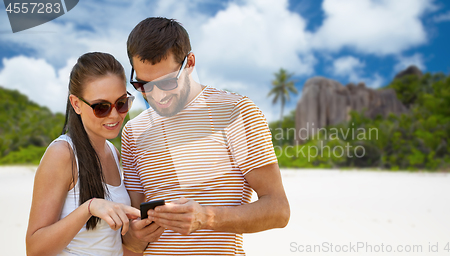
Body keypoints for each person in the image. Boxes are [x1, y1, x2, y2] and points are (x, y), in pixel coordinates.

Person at [121, 18, 290, 255]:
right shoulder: (133, 131)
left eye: (167, 82)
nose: (156, 95)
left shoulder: (236, 112)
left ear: (190, 63)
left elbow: (278, 210)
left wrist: (207, 217)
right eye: (143, 85)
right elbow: (133, 231)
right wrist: (134, 235)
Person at [26, 52, 140, 256]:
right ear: (76, 104)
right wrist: (89, 208)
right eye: (101, 107)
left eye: (121, 103)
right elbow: (35, 249)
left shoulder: (113, 152)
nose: (115, 115)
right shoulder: (63, 154)